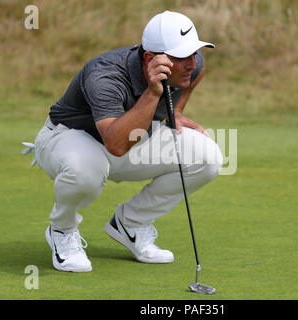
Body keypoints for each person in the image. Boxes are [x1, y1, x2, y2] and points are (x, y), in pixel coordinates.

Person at [22, 10, 223, 272]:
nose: (191, 64)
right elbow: (116, 145)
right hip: (66, 139)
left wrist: (176, 111)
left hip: (130, 139)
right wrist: (153, 93)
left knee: (208, 157)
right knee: (87, 168)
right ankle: (62, 230)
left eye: (192, 53)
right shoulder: (104, 74)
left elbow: (198, 70)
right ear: (151, 59)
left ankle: (131, 223)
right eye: (181, 56)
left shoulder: (192, 64)